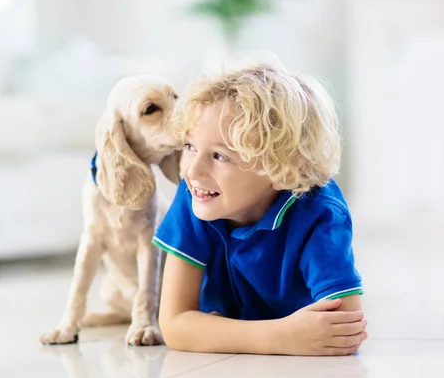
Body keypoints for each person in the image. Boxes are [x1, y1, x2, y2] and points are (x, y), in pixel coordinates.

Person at [152, 55, 366, 356]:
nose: (191, 171)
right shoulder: (197, 194)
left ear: (283, 170)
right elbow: (174, 325)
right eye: (190, 146)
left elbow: (343, 329)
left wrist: (214, 332)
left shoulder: (320, 212)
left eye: (219, 156)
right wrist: (282, 336)